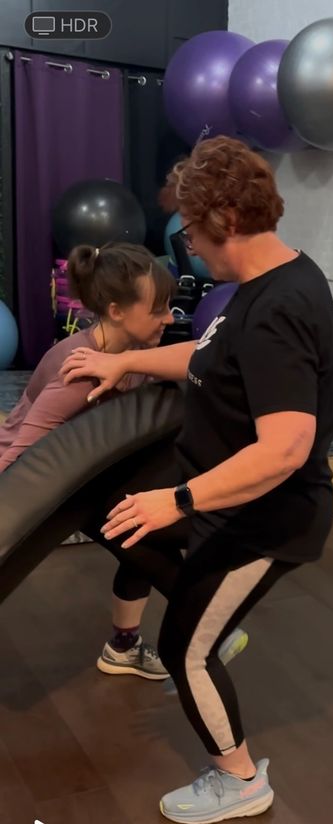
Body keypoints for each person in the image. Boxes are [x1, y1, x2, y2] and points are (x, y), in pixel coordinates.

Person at [61, 135, 333, 822]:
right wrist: (125, 363)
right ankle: (203, 610)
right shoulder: (259, 286)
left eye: (189, 229)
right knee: (108, 505)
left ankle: (239, 779)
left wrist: (178, 501)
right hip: (221, 489)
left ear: (227, 221)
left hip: (266, 517)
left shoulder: (278, 308)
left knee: (185, 650)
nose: (187, 244)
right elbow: (204, 357)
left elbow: (286, 449)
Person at [0, 242, 247, 681]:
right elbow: (21, 460)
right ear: (116, 311)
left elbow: (206, 361)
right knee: (129, 521)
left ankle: (128, 645)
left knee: (139, 516)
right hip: (40, 482)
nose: (169, 319)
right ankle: (204, 625)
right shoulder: (78, 373)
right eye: (157, 310)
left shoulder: (135, 356)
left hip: (85, 474)